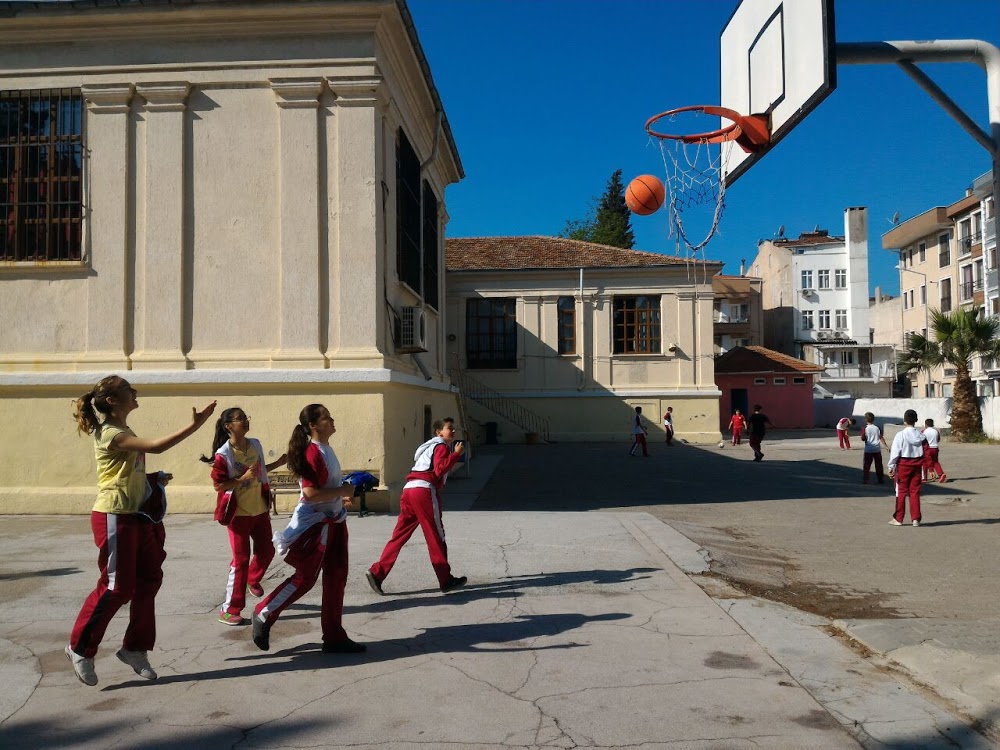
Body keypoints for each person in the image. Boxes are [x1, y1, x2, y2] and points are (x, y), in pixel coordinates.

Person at [66, 375, 216, 686]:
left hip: (135, 514)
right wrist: (195, 426)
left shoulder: (123, 430)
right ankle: (80, 648)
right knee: (116, 587)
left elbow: (125, 469)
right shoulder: (110, 433)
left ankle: (135, 648)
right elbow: (157, 446)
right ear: (113, 400)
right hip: (114, 515)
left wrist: (152, 477)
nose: (135, 393)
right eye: (128, 390)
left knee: (149, 579)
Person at [252, 404, 364, 654]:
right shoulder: (313, 453)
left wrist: (340, 497)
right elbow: (311, 493)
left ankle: (334, 636)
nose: (332, 419)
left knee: (336, 578)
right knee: (306, 578)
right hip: (315, 524)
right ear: (313, 426)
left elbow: (325, 488)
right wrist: (342, 492)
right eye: (326, 417)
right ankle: (263, 612)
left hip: (333, 521)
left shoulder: (326, 449)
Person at [201, 407, 287, 627]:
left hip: (259, 510)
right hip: (238, 514)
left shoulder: (255, 444)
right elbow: (218, 485)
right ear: (228, 426)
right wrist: (242, 478)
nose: (246, 422)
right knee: (240, 560)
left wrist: (278, 463)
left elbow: (260, 472)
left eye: (246, 418)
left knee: (267, 551)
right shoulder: (224, 454)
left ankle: (252, 578)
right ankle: (230, 609)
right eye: (241, 419)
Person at [366, 417, 468, 596]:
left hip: (409, 491)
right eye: (449, 429)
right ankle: (445, 579)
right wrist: (456, 454)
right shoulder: (441, 446)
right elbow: (439, 469)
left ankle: (377, 573)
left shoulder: (426, 447)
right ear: (438, 432)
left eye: (453, 429)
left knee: (399, 535)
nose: (453, 432)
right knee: (436, 535)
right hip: (424, 491)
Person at [887, 409, 926, 527]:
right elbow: (925, 452)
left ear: (904, 420)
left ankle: (899, 518)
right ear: (916, 420)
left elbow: (895, 452)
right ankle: (916, 519)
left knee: (901, 491)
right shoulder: (922, 436)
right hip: (917, 464)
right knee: (915, 492)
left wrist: (891, 466)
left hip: (904, 464)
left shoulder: (901, 435)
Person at [861, 412, 889, 484]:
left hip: (868, 449)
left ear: (866, 420)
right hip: (877, 449)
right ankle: (880, 479)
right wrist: (886, 446)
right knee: (879, 465)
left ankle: (866, 479)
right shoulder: (877, 428)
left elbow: (863, 438)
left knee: (867, 465)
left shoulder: (865, 428)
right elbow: (881, 437)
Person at [922, 418, 946, 483]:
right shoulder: (936, 431)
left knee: (924, 463)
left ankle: (924, 478)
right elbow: (938, 439)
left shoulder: (924, 431)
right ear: (933, 424)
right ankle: (941, 474)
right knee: (935, 461)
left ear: (925, 424)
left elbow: (921, 440)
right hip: (935, 448)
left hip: (927, 448)